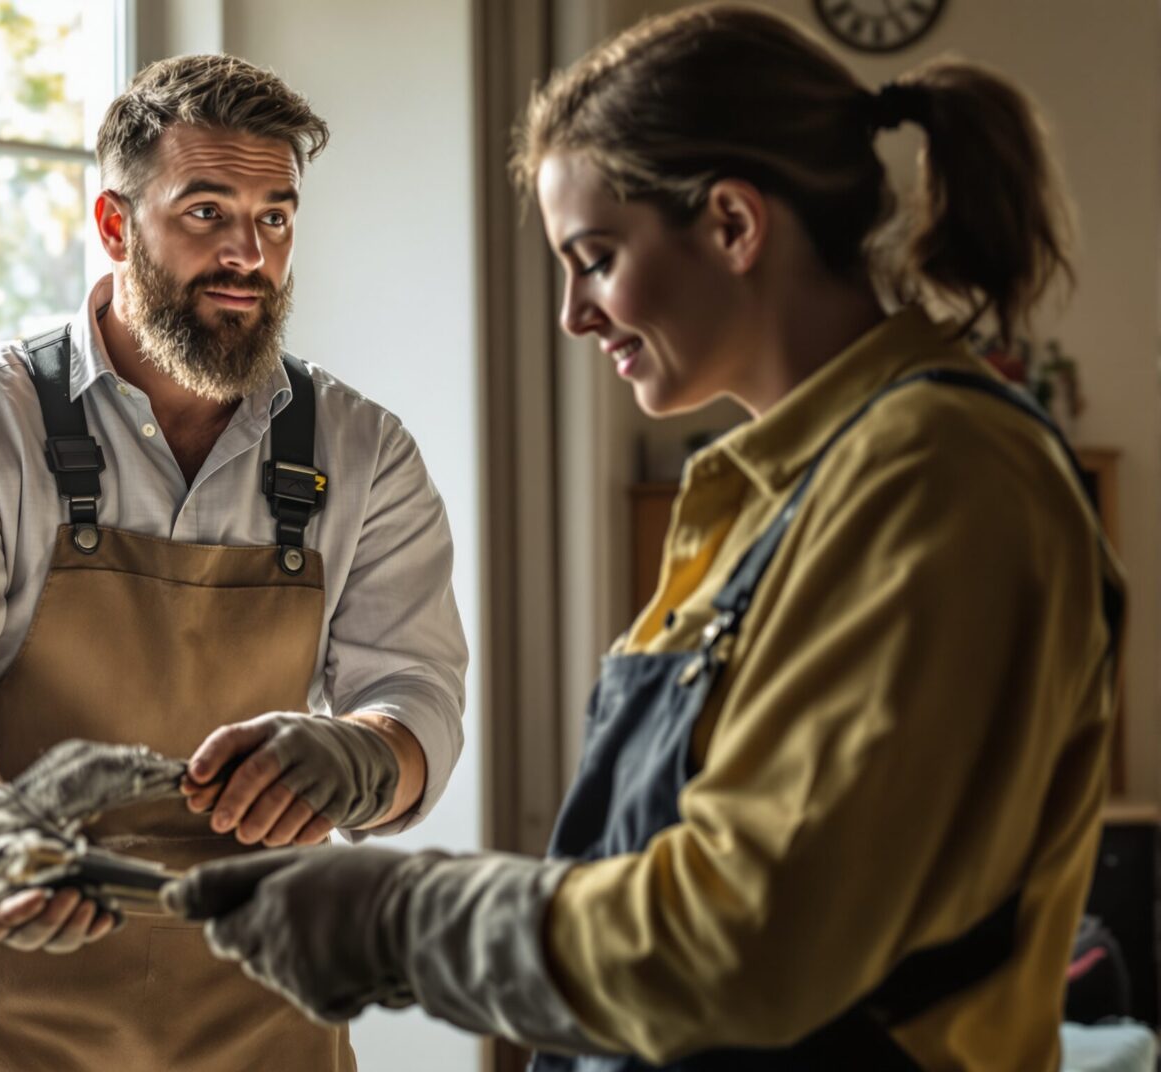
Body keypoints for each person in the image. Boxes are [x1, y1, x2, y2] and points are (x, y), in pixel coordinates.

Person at [169, 7, 1126, 1071]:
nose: (575, 313)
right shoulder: (771, 489)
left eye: (597, 257)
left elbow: (750, 937)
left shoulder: (939, 478)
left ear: (730, 223)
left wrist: (398, 913)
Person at [0, 54, 469, 1071]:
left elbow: (417, 698)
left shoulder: (363, 451)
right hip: (8, 1011)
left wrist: (359, 754)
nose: (247, 255)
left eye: (274, 217)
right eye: (206, 212)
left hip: (270, 1020)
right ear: (117, 225)